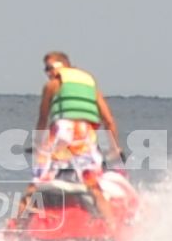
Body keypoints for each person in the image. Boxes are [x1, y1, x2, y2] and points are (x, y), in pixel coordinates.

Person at [31, 51, 122, 198]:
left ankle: (19, 219)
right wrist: (114, 149)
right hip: (86, 140)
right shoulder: (91, 88)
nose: (47, 73)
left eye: (49, 68)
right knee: (93, 185)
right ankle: (109, 218)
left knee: (35, 185)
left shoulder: (51, 86)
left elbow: (43, 120)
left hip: (61, 137)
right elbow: (109, 121)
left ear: (61, 67)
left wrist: (37, 147)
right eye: (45, 69)